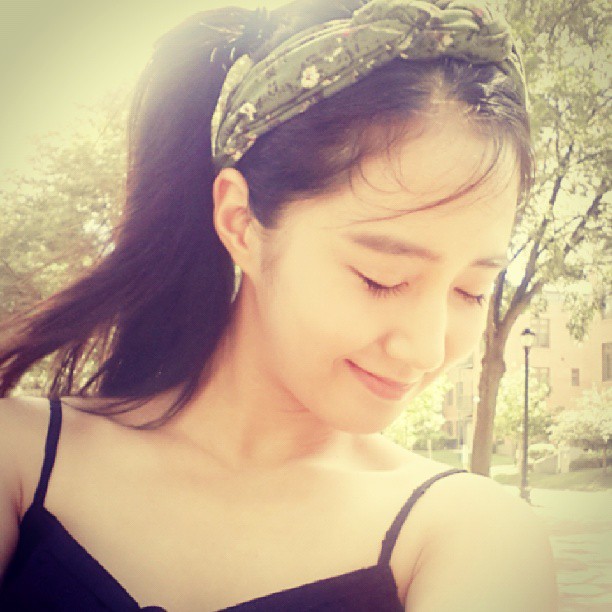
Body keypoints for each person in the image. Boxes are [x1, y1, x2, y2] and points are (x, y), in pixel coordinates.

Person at [0, 0, 557, 610]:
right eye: (381, 278)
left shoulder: (467, 535)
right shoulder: (20, 459)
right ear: (241, 222)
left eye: (472, 291)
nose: (426, 350)